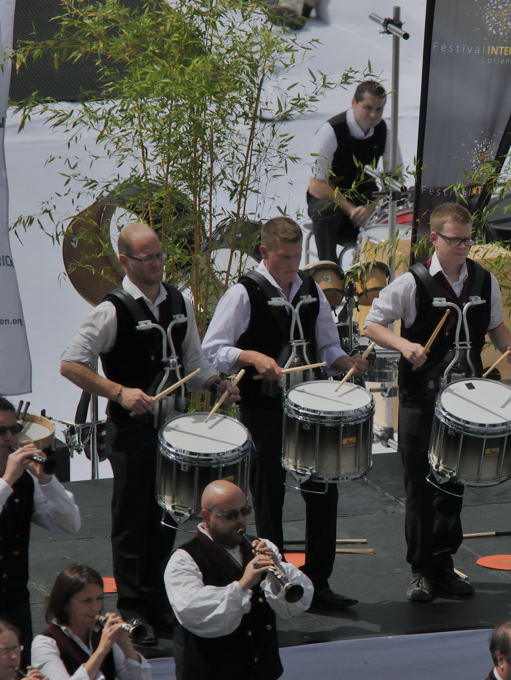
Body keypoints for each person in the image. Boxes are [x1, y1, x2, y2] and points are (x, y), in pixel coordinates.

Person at [60, 222, 237, 642]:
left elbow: (194, 361)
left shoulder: (179, 300)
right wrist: (119, 392)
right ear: (125, 260)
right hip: (132, 431)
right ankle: (133, 608)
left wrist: (216, 383)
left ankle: (159, 602)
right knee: (132, 521)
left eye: (159, 256)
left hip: (173, 430)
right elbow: (71, 365)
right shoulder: (111, 310)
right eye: (146, 258)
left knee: (167, 517)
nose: (156, 264)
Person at [202, 216, 367, 610]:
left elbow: (326, 345)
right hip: (265, 408)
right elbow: (212, 348)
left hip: (308, 407)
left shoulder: (310, 287)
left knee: (323, 490)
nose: (292, 265)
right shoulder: (245, 293)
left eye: (296, 256)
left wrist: (344, 360)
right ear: (265, 252)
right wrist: (251, 356)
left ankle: (318, 581)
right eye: (285, 257)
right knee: (269, 493)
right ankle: (275, 582)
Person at [363, 202, 511, 602]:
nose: (463, 247)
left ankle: (445, 565)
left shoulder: (483, 281)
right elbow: (372, 323)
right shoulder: (412, 282)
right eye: (454, 240)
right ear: (434, 238)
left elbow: (495, 324)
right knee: (419, 484)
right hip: (421, 395)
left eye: (468, 240)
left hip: (463, 398)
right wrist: (404, 344)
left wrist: (509, 346)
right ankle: (421, 570)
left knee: (452, 482)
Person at [164, 480, 312, 680]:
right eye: (231, 515)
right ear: (206, 516)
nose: (241, 520)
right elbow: (194, 612)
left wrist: (278, 570)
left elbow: (293, 606)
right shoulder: (183, 561)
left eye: (245, 511)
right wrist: (243, 584)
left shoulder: (262, 547)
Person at [0, 398, 81, 655]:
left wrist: (47, 480)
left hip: (14, 602)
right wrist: (8, 479)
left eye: (15, 430)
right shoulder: (14, 477)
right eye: (1, 432)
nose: (10, 438)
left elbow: (70, 524)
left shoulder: (25, 481)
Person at [306, 79, 400, 264]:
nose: (373, 114)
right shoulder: (330, 131)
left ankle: (374, 273)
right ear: (353, 103)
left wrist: (371, 208)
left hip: (366, 200)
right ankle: (328, 272)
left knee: (399, 207)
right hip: (334, 201)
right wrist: (351, 209)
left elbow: (394, 177)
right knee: (326, 210)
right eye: (368, 107)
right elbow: (316, 185)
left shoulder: (386, 131)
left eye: (379, 109)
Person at [31, 564, 151, 680]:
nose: (95, 607)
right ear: (66, 605)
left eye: (99, 599)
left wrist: (125, 644)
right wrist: (101, 650)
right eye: (87, 601)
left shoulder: (101, 635)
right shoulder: (44, 644)